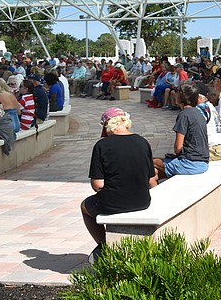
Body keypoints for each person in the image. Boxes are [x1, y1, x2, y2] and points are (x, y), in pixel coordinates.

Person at [80, 107, 158, 263]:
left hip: (113, 203)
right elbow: (151, 180)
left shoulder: (102, 146)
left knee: (85, 206)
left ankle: (105, 245)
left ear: (107, 126)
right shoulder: (142, 142)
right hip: (142, 201)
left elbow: (98, 184)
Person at [153, 84, 209, 179]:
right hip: (203, 163)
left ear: (182, 97)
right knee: (155, 174)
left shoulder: (184, 115)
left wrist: (177, 155)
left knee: (150, 162)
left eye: (177, 93)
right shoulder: (199, 113)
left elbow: (178, 147)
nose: (175, 95)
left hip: (190, 164)